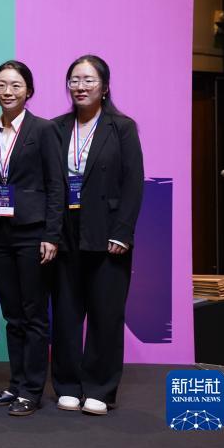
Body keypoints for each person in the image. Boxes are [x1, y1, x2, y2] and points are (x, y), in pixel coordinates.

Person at [51, 55, 143, 416]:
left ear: (104, 87)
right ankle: (67, 384)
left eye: (89, 80)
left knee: (106, 315)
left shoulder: (122, 127)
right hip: (65, 235)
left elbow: (133, 183)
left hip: (107, 236)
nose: (80, 86)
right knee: (66, 314)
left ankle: (100, 388)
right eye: (74, 80)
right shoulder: (57, 128)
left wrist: (123, 232)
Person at [0, 61, 64, 417]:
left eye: (15, 85)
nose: (8, 91)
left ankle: (32, 389)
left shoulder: (43, 130)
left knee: (34, 315)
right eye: (1, 84)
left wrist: (51, 234)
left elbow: (57, 185)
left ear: (29, 90)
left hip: (33, 233)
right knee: (12, 315)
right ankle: (15, 385)